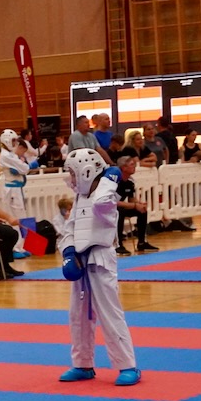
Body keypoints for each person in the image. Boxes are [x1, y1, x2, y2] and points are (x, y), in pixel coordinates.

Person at [58, 148, 141, 386]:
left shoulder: (106, 197)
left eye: (73, 173)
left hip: (101, 259)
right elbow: (69, 230)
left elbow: (101, 203)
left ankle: (127, 365)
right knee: (78, 316)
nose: (72, 179)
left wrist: (109, 178)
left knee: (109, 313)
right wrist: (68, 252)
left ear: (86, 172)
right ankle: (82, 363)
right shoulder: (79, 198)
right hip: (80, 260)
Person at [0, 128, 36, 258]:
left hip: (16, 189)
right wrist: (28, 166)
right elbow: (24, 168)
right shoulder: (5, 155)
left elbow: (21, 168)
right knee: (16, 218)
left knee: (21, 217)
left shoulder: (10, 154)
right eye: (13, 141)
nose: (15, 144)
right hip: (12, 190)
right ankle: (15, 248)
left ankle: (22, 246)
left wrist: (21, 168)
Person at [114, 154, 159, 256]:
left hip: (122, 206)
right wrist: (134, 205)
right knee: (119, 211)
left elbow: (131, 198)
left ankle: (142, 242)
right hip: (111, 208)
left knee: (142, 211)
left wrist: (139, 204)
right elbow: (114, 202)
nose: (134, 167)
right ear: (124, 168)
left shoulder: (130, 181)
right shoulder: (115, 181)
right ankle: (118, 244)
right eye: (131, 165)